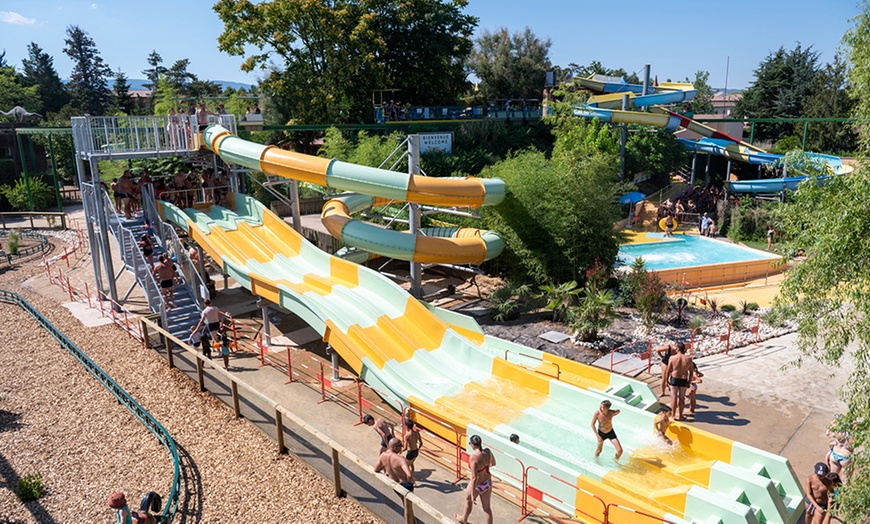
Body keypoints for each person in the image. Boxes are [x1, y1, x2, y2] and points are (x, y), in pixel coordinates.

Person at [455, 434, 496, 524]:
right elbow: (493, 463)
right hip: (487, 482)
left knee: (468, 501)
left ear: (473, 445)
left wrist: (473, 493)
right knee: (487, 508)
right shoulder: (488, 452)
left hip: (478, 484)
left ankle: (464, 519)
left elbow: (474, 478)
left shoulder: (473, 458)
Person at [665, 342, 693, 421]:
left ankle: (673, 415)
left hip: (674, 378)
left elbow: (668, 370)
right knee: (681, 398)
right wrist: (689, 382)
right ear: (684, 349)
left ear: (677, 349)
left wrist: (667, 381)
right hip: (683, 379)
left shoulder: (672, 358)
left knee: (674, 398)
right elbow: (691, 372)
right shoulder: (688, 358)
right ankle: (681, 415)